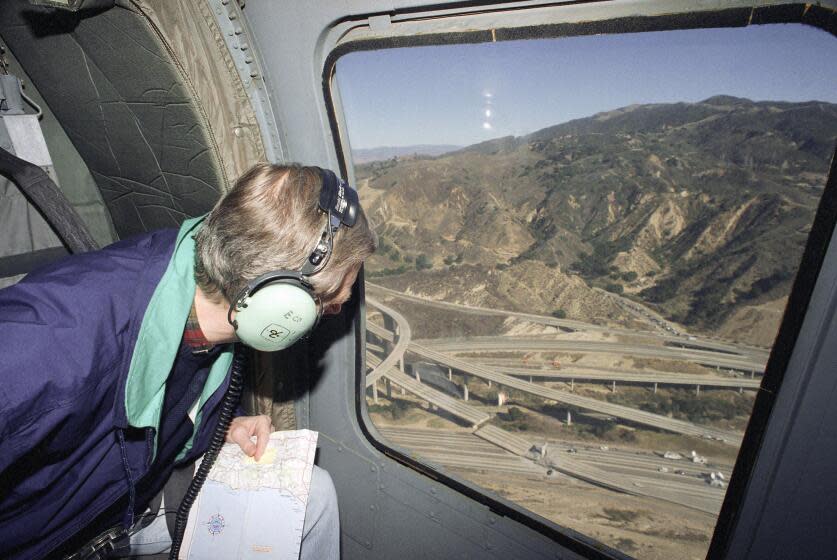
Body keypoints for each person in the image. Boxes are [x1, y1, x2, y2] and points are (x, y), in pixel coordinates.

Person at [0, 163, 377, 559]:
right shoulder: (51, 342)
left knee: (311, 499)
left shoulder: (215, 295)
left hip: (131, 497)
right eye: (326, 306)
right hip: (49, 537)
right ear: (277, 300)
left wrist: (209, 426)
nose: (323, 318)